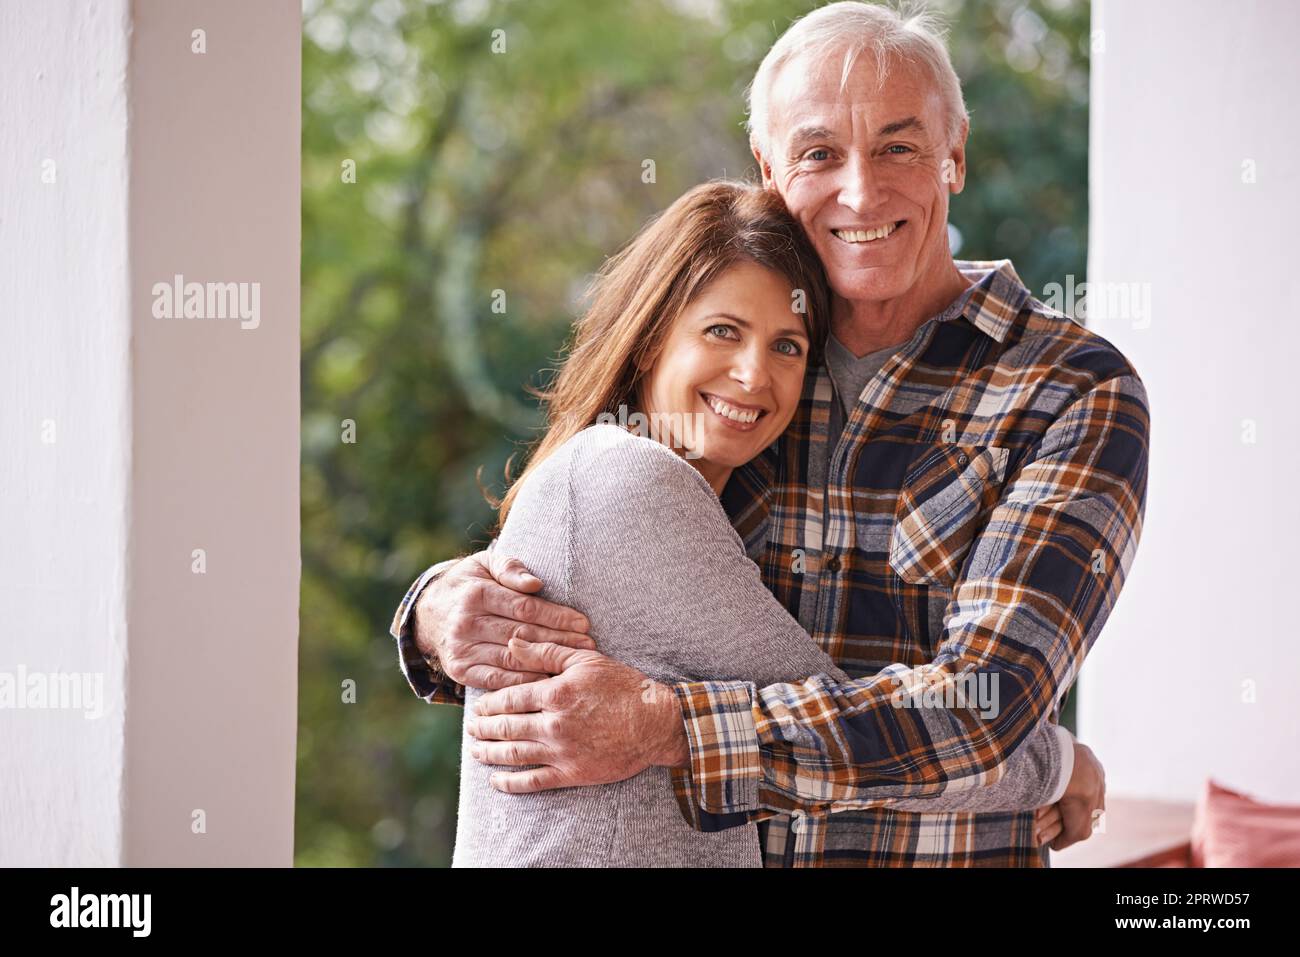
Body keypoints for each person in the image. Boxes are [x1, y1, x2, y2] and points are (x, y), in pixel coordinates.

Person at [393, 1, 1143, 867]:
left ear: (956, 156)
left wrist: (666, 727)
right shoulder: (739, 377)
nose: (861, 191)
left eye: (900, 146)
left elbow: (984, 709)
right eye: (820, 153)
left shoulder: (1071, 389)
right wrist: (436, 611)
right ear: (769, 169)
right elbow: (582, 547)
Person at [443, 180, 1077, 866]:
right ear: (652, 336)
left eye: (787, 346)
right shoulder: (632, 483)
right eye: (723, 331)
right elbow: (858, 740)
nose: (753, 374)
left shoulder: (650, 484)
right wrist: (1061, 765)